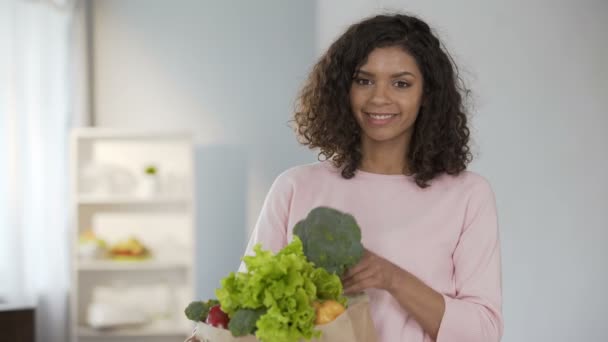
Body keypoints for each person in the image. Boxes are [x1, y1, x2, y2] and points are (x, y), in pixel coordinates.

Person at [240, 13, 503, 342]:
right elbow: (247, 307)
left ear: (428, 94)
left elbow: (483, 332)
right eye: (363, 80)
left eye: (401, 83)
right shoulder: (294, 187)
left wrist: (391, 278)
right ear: (342, 90)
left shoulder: (468, 195)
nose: (379, 97)